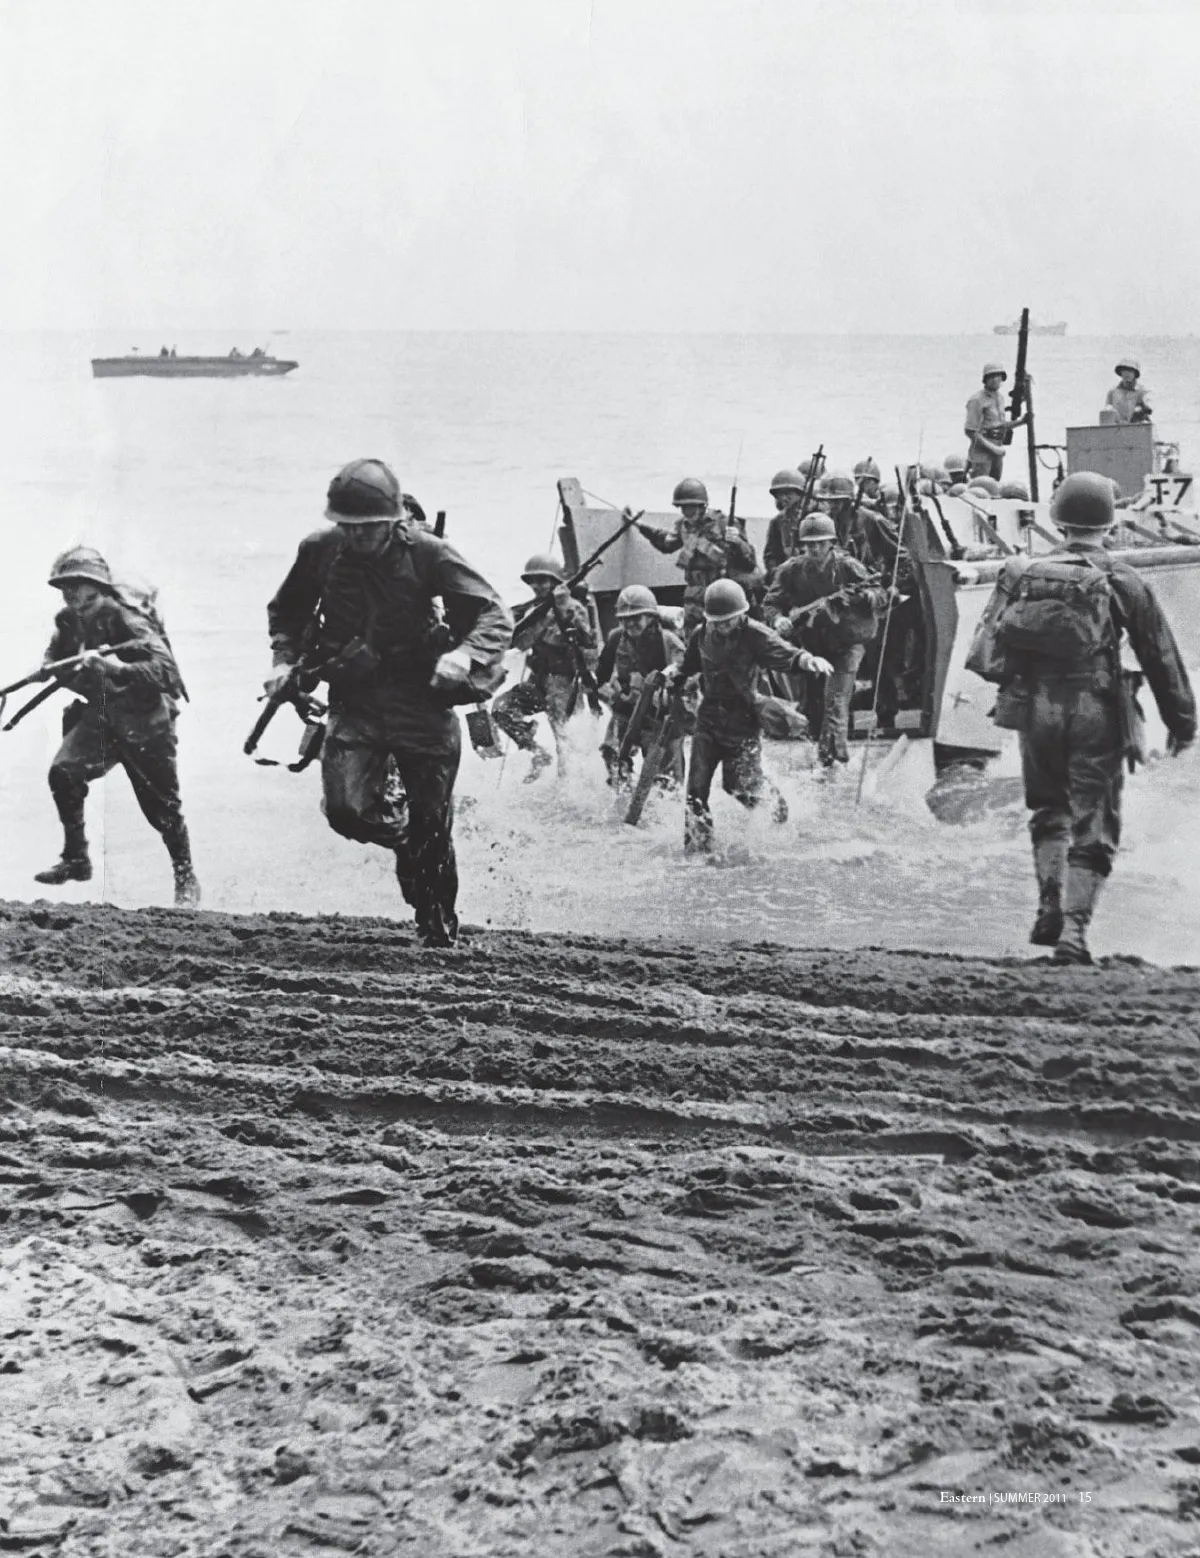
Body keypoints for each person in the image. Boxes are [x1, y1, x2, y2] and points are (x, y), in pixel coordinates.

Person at [266, 458, 511, 948]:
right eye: (348, 526)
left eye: (368, 527)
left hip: (422, 698)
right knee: (345, 809)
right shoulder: (320, 550)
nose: (357, 536)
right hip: (356, 697)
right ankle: (405, 840)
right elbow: (287, 612)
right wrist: (282, 661)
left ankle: (438, 927)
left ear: (392, 521)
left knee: (433, 822)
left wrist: (464, 655)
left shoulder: (428, 553)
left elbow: (493, 612)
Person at [970, 472, 1195, 964]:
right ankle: (1073, 934)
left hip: (1035, 708)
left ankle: (1049, 903)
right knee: (1095, 817)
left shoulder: (1027, 574)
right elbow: (1160, 656)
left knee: (1049, 810)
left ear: (1057, 521)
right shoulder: (1122, 579)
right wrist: (1183, 723)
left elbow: (994, 647)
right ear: (1109, 525)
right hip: (1096, 707)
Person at [33, 547, 199, 908]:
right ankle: (76, 859)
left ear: (98, 587)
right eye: (65, 589)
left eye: (79, 589)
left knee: (164, 809)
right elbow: (56, 657)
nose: (72, 597)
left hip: (146, 723)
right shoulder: (67, 620)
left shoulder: (127, 619)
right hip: (101, 717)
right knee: (64, 771)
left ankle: (185, 876)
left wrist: (114, 668)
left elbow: (166, 673)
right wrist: (51, 667)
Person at [664, 579, 831, 853]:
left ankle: (776, 808)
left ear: (741, 615)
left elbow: (782, 652)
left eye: (728, 621)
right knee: (695, 790)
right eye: (717, 622)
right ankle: (698, 847)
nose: (722, 627)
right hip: (708, 719)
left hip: (743, 719)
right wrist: (673, 673)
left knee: (738, 786)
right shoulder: (702, 633)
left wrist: (806, 660)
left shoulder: (754, 634)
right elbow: (689, 665)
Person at [764, 514, 887, 767]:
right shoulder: (791, 570)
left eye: (821, 543)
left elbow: (880, 594)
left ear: (831, 542)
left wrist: (864, 597)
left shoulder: (848, 567)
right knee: (814, 707)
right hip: (811, 646)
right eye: (810, 544)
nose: (815, 549)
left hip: (846, 644)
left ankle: (835, 762)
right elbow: (771, 602)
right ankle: (824, 757)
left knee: (836, 704)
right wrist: (778, 619)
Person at [492, 553, 596, 783]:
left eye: (542, 580)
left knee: (566, 742)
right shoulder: (533, 610)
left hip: (564, 684)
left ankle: (569, 788)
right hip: (538, 681)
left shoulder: (573, 607)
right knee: (502, 709)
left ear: (555, 581)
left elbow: (587, 642)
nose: (537, 586)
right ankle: (537, 753)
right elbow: (521, 643)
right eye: (533, 581)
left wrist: (561, 608)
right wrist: (537, 620)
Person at [638, 479, 759, 636]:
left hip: (722, 593)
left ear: (701, 506)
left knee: (726, 635)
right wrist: (639, 525)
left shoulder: (723, 523)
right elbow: (666, 543)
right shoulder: (684, 526)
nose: (686, 513)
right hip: (694, 596)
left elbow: (750, 562)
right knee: (693, 637)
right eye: (682, 508)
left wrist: (737, 542)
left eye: (690, 508)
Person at [595, 585, 685, 789]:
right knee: (612, 753)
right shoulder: (616, 638)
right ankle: (623, 790)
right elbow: (601, 674)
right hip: (626, 709)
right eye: (625, 619)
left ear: (651, 617)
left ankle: (664, 804)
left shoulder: (667, 640)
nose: (630, 623)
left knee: (665, 777)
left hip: (659, 715)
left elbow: (686, 675)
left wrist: (665, 686)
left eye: (636, 618)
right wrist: (605, 690)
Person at [965, 363, 1026, 481]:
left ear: (1002, 378)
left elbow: (1000, 425)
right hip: (981, 452)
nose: (994, 380)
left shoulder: (1000, 398)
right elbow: (970, 431)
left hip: (997, 448)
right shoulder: (977, 400)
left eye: (997, 376)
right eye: (990, 377)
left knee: (995, 486)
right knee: (981, 485)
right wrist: (992, 448)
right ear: (985, 379)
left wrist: (1022, 421)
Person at [762, 468, 808, 581]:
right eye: (780, 494)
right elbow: (771, 555)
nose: (783, 498)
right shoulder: (778, 521)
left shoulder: (814, 518)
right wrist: (777, 572)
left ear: (799, 493)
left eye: (788, 493)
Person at [1105, 359, 1153, 425]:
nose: (1127, 374)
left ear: (1135, 373)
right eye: (1124, 370)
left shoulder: (1142, 391)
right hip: (1118, 428)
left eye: (1130, 371)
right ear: (1121, 372)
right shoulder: (1112, 392)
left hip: (1137, 427)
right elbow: (1107, 412)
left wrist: (1143, 407)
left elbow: (1150, 408)